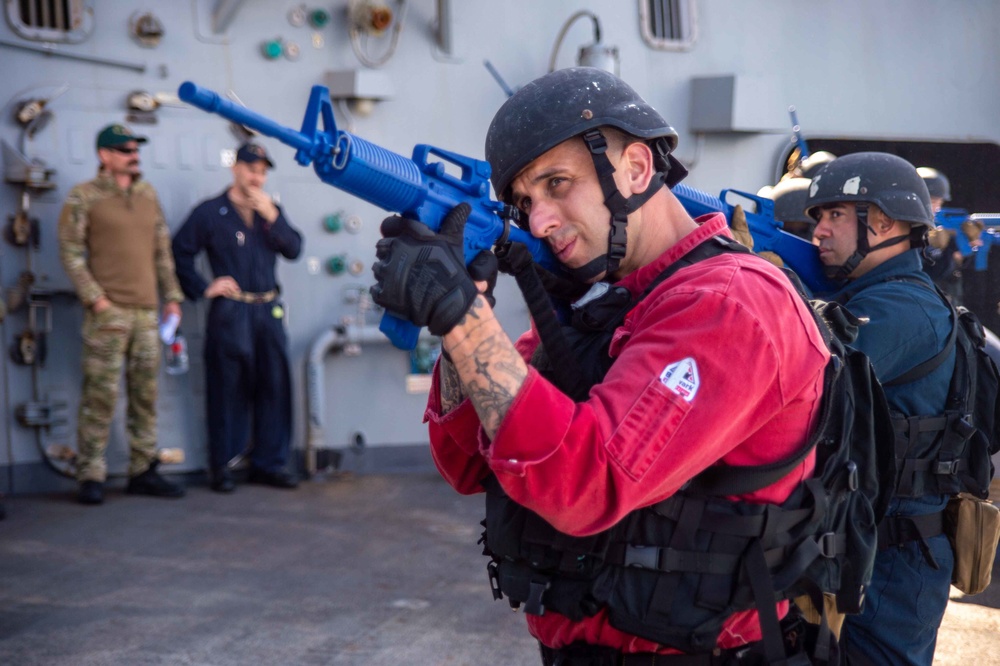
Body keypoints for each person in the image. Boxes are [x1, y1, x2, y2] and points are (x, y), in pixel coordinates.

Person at [371, 67, 833, 663]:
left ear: (637, 169)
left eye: (556, 184)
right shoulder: (600, 303)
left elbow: (586, 481)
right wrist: (470, 311)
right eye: (525, 204)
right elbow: (467, 461)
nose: (539, 222)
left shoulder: (729, 303)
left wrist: (461, 317)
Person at [806, 152, 955, 665]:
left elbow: (809, 371)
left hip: (894, 561)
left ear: (884, 222)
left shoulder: (906, 308)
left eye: (836, 216)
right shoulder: (872, 296)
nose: (819, 233)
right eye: (817, 218)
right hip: (861, 546)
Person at [58, 123, 186, 505]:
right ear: (105, 155)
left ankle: (143, 470)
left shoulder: (148, 195)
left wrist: (173, 297)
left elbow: (161, 251)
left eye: (135, 148)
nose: (134, 154)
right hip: (107, 315)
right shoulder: (84, 197)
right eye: (125, 149)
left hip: (147, 314)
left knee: (145, 396)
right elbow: (70, 253)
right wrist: (96, 299)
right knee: (100, 396)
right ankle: (91, 473)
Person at [172, 142, 302, 493]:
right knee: (227, 388)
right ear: (236, 169)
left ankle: (269, 463)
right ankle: (223, 465)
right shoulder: (211, 212)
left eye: (261, 171)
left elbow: (294, 248)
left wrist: (273, 216)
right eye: (250, 168)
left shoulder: (270, 211)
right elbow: (180, 251)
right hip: (232, 311)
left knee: (274, 386)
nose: (256, 176)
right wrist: (203, 287)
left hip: (268, 309)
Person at [917, 167, 963, 304]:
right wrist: (927, 244)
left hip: (940, 299)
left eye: (940, 202)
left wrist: (956, 247)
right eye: (933, 201)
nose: (937, 208)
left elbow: (941, 272)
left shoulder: (940, 224)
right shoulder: (900, 228)